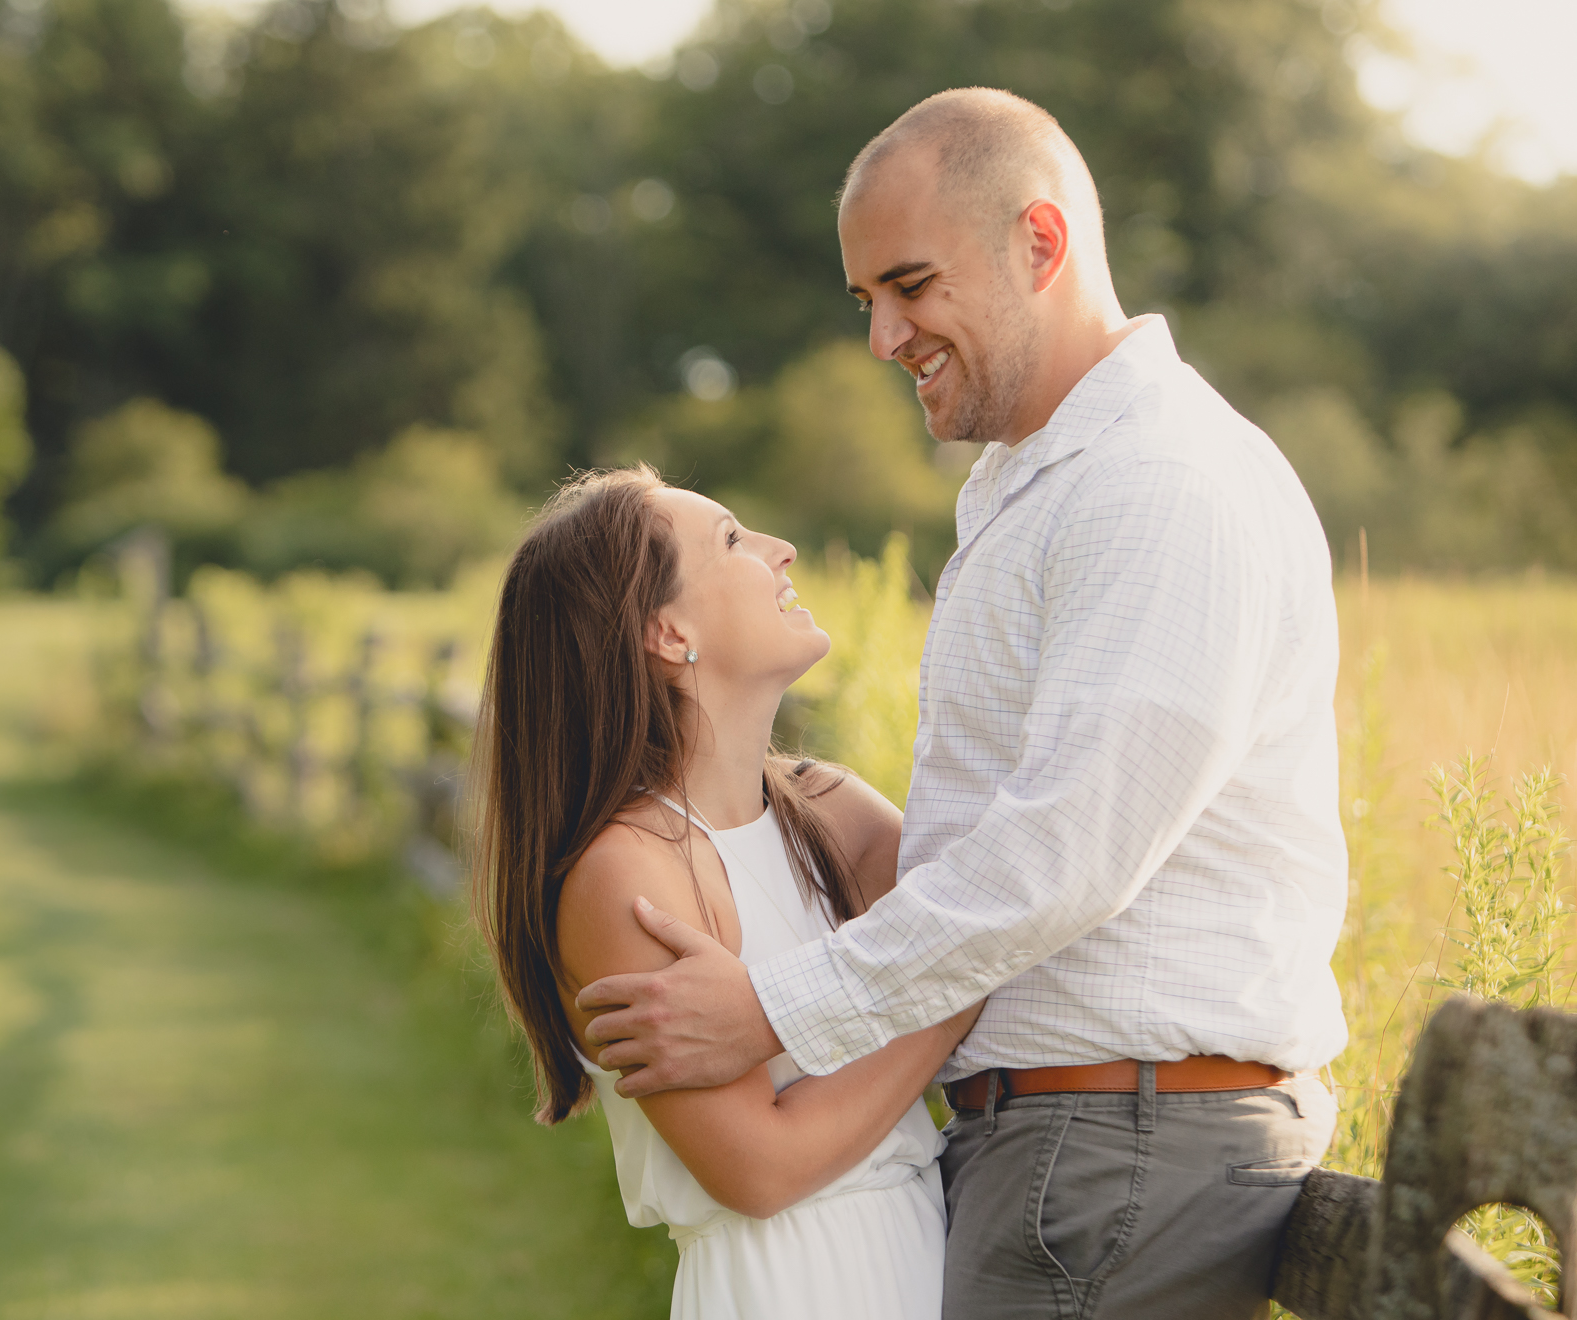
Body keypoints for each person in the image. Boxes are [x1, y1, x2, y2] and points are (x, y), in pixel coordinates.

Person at [576, 88, 1348, 1319]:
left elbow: (1063, 853)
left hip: (1115, 1147)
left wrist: (776, 1008)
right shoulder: (1035, 484)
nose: (884, 338)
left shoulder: (1159, 486)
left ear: (1040, 244)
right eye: (866, 301)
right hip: (1074, 1147)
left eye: (913, 285)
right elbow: (970, 850)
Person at [471, 465, 983, 1318]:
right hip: (791, 1286)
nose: (781, 552)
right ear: (668, 633)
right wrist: (958, 983)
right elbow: (761, 1168)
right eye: (735, 540)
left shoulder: (830, 812)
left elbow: (987, 899)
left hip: (924, 1254)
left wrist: (964, 959)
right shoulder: (624, 873)